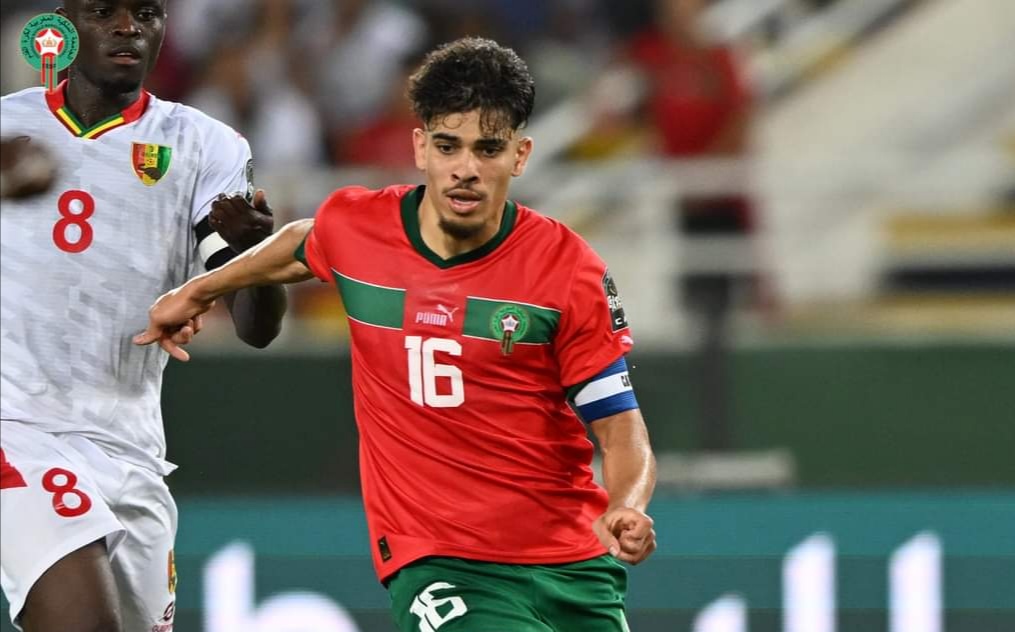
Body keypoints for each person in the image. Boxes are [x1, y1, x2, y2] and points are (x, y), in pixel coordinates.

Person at [137, 37, 658, 630]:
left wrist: (627, 505)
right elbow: (302, 242)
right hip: (441, 562)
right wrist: (198, 290)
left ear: (520, 155)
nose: (466, 168)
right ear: (420, 148)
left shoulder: (568, 270)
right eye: (448, 146)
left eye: (488, 149)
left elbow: (620, 427)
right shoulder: (360, 227)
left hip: (575, 563)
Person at [0, 1, 287, 631]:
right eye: (104, 11)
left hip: (129, 447)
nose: (129, 27)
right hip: (17, 427)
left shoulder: (204, 144)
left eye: (148, 13)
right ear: (66, 23)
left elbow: (257, 328)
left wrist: (254, 254)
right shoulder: (6, 126)